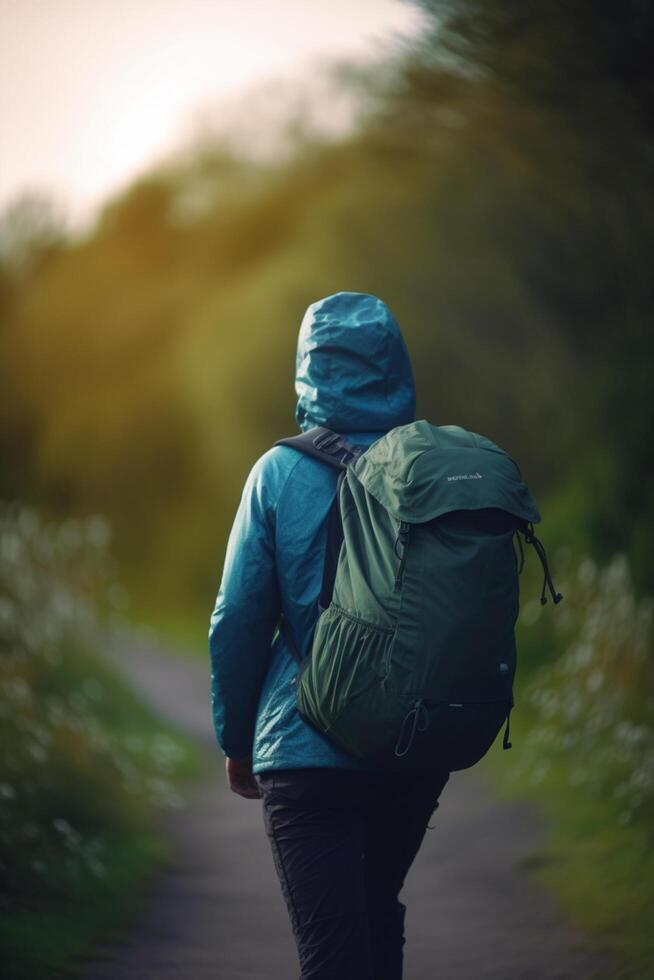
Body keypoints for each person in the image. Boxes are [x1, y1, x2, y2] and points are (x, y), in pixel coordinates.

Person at [208, 291, 449, 980]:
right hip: (412, 744)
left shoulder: (278, 472)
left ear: (307, 370)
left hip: (306, 747)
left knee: (333, 955)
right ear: (395, 365)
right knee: (377, 908)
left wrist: (236, 743)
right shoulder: (436, 467)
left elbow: (237, 620)